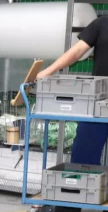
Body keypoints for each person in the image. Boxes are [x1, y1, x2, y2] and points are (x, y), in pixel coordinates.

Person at [36, 15, 108, 166]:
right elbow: (77, 51)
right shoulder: (102, 23)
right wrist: (49, 71)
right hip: (98, 104)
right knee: (83, 158)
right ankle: (85, 188)